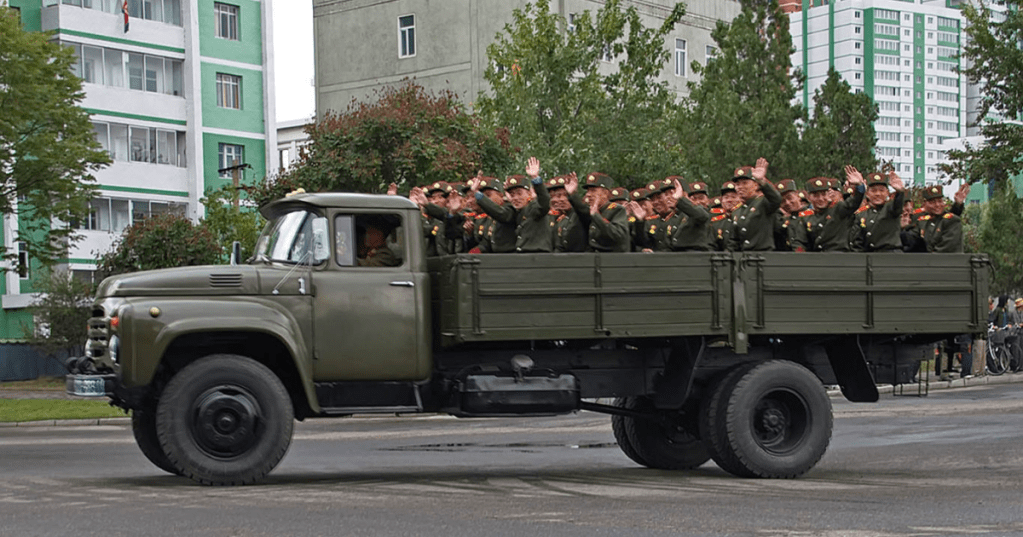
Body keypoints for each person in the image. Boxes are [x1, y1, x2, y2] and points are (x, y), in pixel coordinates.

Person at [471, 157, 552, 253]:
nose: (516, 198)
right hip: (522, 258)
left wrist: (536, 179)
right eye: (512, 194)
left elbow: (544, 202)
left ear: (529, 193)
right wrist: (476, 193)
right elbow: (499, 213)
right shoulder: (516, 211)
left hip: (538, 258)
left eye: (519, 193)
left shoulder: (534, 208)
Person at [790, 167, 865, 252]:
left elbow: (855, 201)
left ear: (829, 195)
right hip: (817, 260)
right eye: (816, 195)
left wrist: (859, 185)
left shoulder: (838, 209)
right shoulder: (806, 218)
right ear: (809, 197)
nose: (821, 199)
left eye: (823, 194)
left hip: (839, 258)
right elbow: (799, 242)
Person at [727, 158, 782, 252]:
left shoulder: (763, 202)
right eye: (737, 184)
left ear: (756, 185)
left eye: (745, 183)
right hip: (744, 258)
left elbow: (776, 199)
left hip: (763, 256)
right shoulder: (737, 211)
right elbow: (734, 240)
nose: (740, 187)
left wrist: (762, 181)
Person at [567, 172, 630, 252]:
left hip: (613, 260)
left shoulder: (617, 210)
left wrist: (597, 216)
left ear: (605, 193)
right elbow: (581, 209)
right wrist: (573, 194)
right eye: (588, 191)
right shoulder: (590, 211)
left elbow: (618, 235)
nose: (588, 194)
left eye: (593, 191)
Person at [852, 169, 905, 252]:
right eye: (873, 190)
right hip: (871, 257)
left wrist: (900, 192)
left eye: (881, 190)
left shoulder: (890, 208)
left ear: (887, 193)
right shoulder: (861, 214)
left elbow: (897, 205)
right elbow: (858, 243)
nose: (878, 194)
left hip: (891, 255)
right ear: (867, 194)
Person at [903, 185, 963, 253]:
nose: (937, 205)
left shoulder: (952, 220)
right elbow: (912, 240)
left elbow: (945, 248)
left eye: (940, 201)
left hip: (947, 261)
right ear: (925, 203)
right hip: (928, 261)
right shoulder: (922, 220)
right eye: (933, 202)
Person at [548, 175, 588, 252]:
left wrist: (573, 195)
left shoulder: (579, 214)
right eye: (553, 196)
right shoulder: (549, 217)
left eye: (565, 195)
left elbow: (584, 212)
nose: (559, 200)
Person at [710, 181, 740, 251]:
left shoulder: (745, 217)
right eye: (726, 197)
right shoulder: (716, 223)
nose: (729, 200)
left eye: (733, 197)